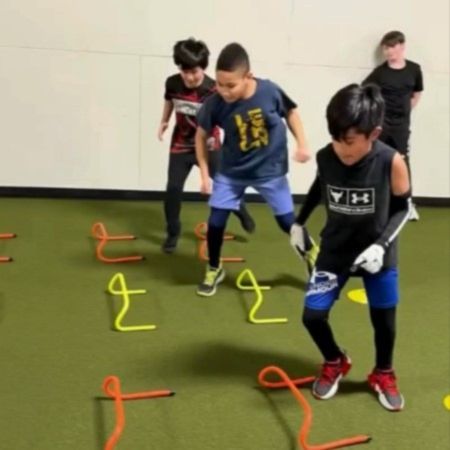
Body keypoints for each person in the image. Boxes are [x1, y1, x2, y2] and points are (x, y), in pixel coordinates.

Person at [291, 83, 411, 411]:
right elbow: (320, 186)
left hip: (378, 253)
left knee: (384, 320)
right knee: (312, 316)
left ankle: (383, 373)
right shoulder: (327, 156)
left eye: (350, 141)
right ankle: (336, 360)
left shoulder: (391, 161)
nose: (341, 148)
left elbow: (404, 209)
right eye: (335, 138)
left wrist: (381, 245)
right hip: (336, 250)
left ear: (373, 133)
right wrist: (298, 223)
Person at [195, 42, 310, 297]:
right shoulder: (216, 103)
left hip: (270, 170)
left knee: (288, 223)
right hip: (232, 170)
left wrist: (302, 143)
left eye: (230, 85)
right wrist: (204, 173)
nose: (224, 91)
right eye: (219, 84)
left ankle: (312, 256)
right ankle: (214, 267)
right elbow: (201, 136)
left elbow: (291, 112)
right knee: (215, 222)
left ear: (248, 76)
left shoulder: (269, 91)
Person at [158, 38, 255, 254]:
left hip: (210, 145)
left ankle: (241, 211)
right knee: (173, 189)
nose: (191, 77)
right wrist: (164, 121)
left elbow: (229, 113)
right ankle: (173, 231)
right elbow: (169, 101)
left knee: (225, 186)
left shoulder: (213, 89)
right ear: (179, 69)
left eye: (196, 72)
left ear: (203, 68)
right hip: (181, 145)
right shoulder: (172, 83)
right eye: (186, 72)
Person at [364, 30, 423, 221]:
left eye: (391, 47)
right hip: (381, 124)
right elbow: (365, 91)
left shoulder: (414, 69)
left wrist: (405, 111)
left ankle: (407, 205)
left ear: (402, 46)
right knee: (376, 158)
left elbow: (416, 94)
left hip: (401, 126)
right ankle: (374, 204)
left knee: (402, 161)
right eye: (385, 49)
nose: (388, 52)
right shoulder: (380, 72)